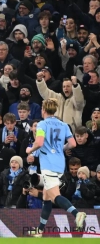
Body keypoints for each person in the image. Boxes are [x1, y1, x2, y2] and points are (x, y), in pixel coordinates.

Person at [26, 98, 86, 237]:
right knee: (46, 198)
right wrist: (61, 149)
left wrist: (30, 149)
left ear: (44, 110)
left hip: (48, 165)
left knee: (55, 196)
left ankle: (77, 214)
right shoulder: (63, 124)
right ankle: (40, 230)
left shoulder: (42, 124)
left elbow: (39, 142)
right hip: (60, 164)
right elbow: (73, 143)